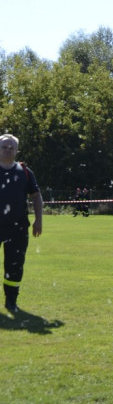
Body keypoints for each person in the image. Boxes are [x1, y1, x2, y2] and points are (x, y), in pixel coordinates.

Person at [0, 134, 43, 314]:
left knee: (15, 265)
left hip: (17, 228)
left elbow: (36, 196)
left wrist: (38, 220)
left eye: (11, 147)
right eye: (4, 146)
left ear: (17, 150)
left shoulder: (25, 172)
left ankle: (11, 302)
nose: (7, 149)